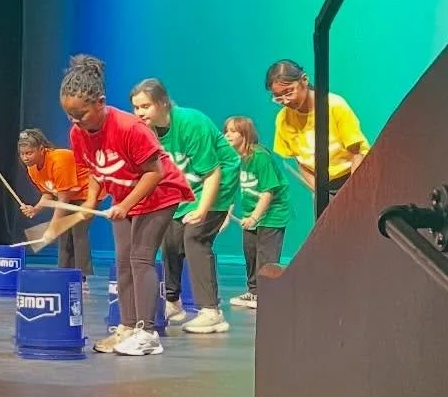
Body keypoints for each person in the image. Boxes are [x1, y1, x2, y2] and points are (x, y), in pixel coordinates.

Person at [36, 55, 192, 357]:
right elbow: (95, 169)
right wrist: (91, 201)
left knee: (141, 259)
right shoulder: (78, 133)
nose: (75, 121)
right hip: (125, 195)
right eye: (69, 115)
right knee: (123, 262)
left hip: (160, 193)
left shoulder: (129, 128)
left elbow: (155, 173)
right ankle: (127, 327)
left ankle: (147, 334)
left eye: (81, 114)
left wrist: (126, 205)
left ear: (100, 103)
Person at [129, 80, 240, 335]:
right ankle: (173, 303)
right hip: (187, 186)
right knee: (170, 237)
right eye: (136, 108)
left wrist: (202, 210)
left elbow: (213, 172)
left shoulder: (191, 123)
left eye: (145, 106)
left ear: (163, 103)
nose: (140, 113)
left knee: (195, 237)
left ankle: (211, 312)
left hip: (217, 181)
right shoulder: (145, 131)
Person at [265, 58, 369, 203]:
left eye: (289, 92)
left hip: (357, 175)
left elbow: (356, 154)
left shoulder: (334, 106)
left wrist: (353, 193)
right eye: (278, 97)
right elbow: (301, 162)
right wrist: (320, 194)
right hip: (325, 187)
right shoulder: (283, 120)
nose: (285, 101)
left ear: (304, 80)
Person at [224, 115, 290, 309]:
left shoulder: (260, 157)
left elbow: (268, 192)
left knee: (266, 255)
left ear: (245, 134)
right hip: (252, 212)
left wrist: (254, 217)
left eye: (233, 131)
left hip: (272, 212)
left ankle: (267, 294)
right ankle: (254, 292)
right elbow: (231, 188)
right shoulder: (235, 159)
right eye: (226, 131)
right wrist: (226, 214)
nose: (227, 135)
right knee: (250, 251)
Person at [16, 128, 93, 275]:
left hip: (86, 192)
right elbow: (48, 192)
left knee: (77, 232)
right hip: (68, 195)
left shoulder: (59, 161)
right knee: (64, 235)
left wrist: (53, 227)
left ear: (41, 149)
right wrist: (35, 209)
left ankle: (81, 277)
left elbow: (63, 199)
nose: (25, 158)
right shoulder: (32, 168)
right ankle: (64, 274)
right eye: (22, 154)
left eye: (29, 153)